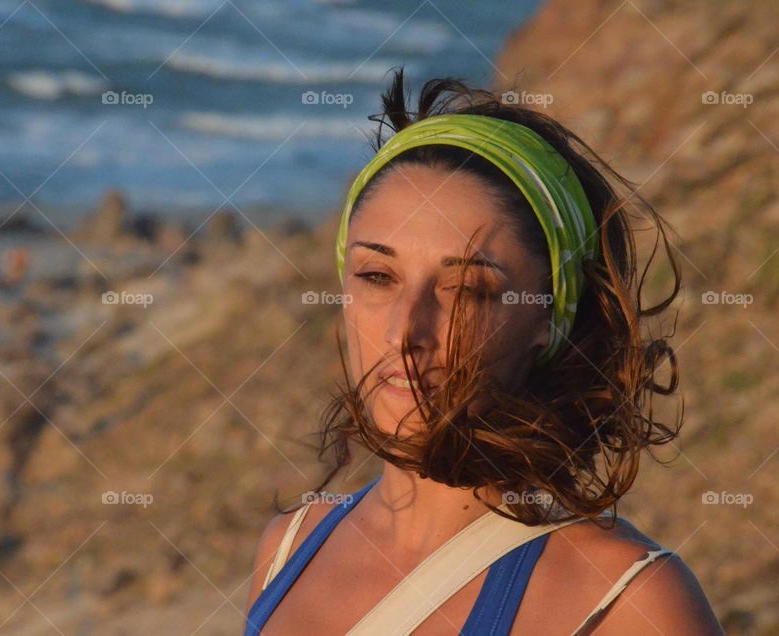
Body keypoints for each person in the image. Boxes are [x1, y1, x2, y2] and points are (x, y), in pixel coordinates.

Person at [245, 68, 724, 635]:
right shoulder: (287, 549)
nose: (405, 330)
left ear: (548, 318)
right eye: (377, 275)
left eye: (468, 290)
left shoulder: (628, 602)